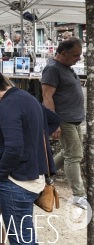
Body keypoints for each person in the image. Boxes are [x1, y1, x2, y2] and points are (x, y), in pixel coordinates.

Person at [0, 67, 56, 245]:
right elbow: (52, 120)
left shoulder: (7, 105)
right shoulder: (26, 97)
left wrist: (1, 173)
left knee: (20, 239)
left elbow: (14, 148)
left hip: (16, 181)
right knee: (24, 236)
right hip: (29, 176)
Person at [42, 37, 87, 208]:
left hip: (74, 119)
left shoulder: (66, 67)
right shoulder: (52, 69)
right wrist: (54, 123)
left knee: (69, 152)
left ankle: (44, 173)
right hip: (64, 120)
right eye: (76, 55)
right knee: (74, 156)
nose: (79, 58)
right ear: (63, 53)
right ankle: (78, 195)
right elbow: (47, 97)